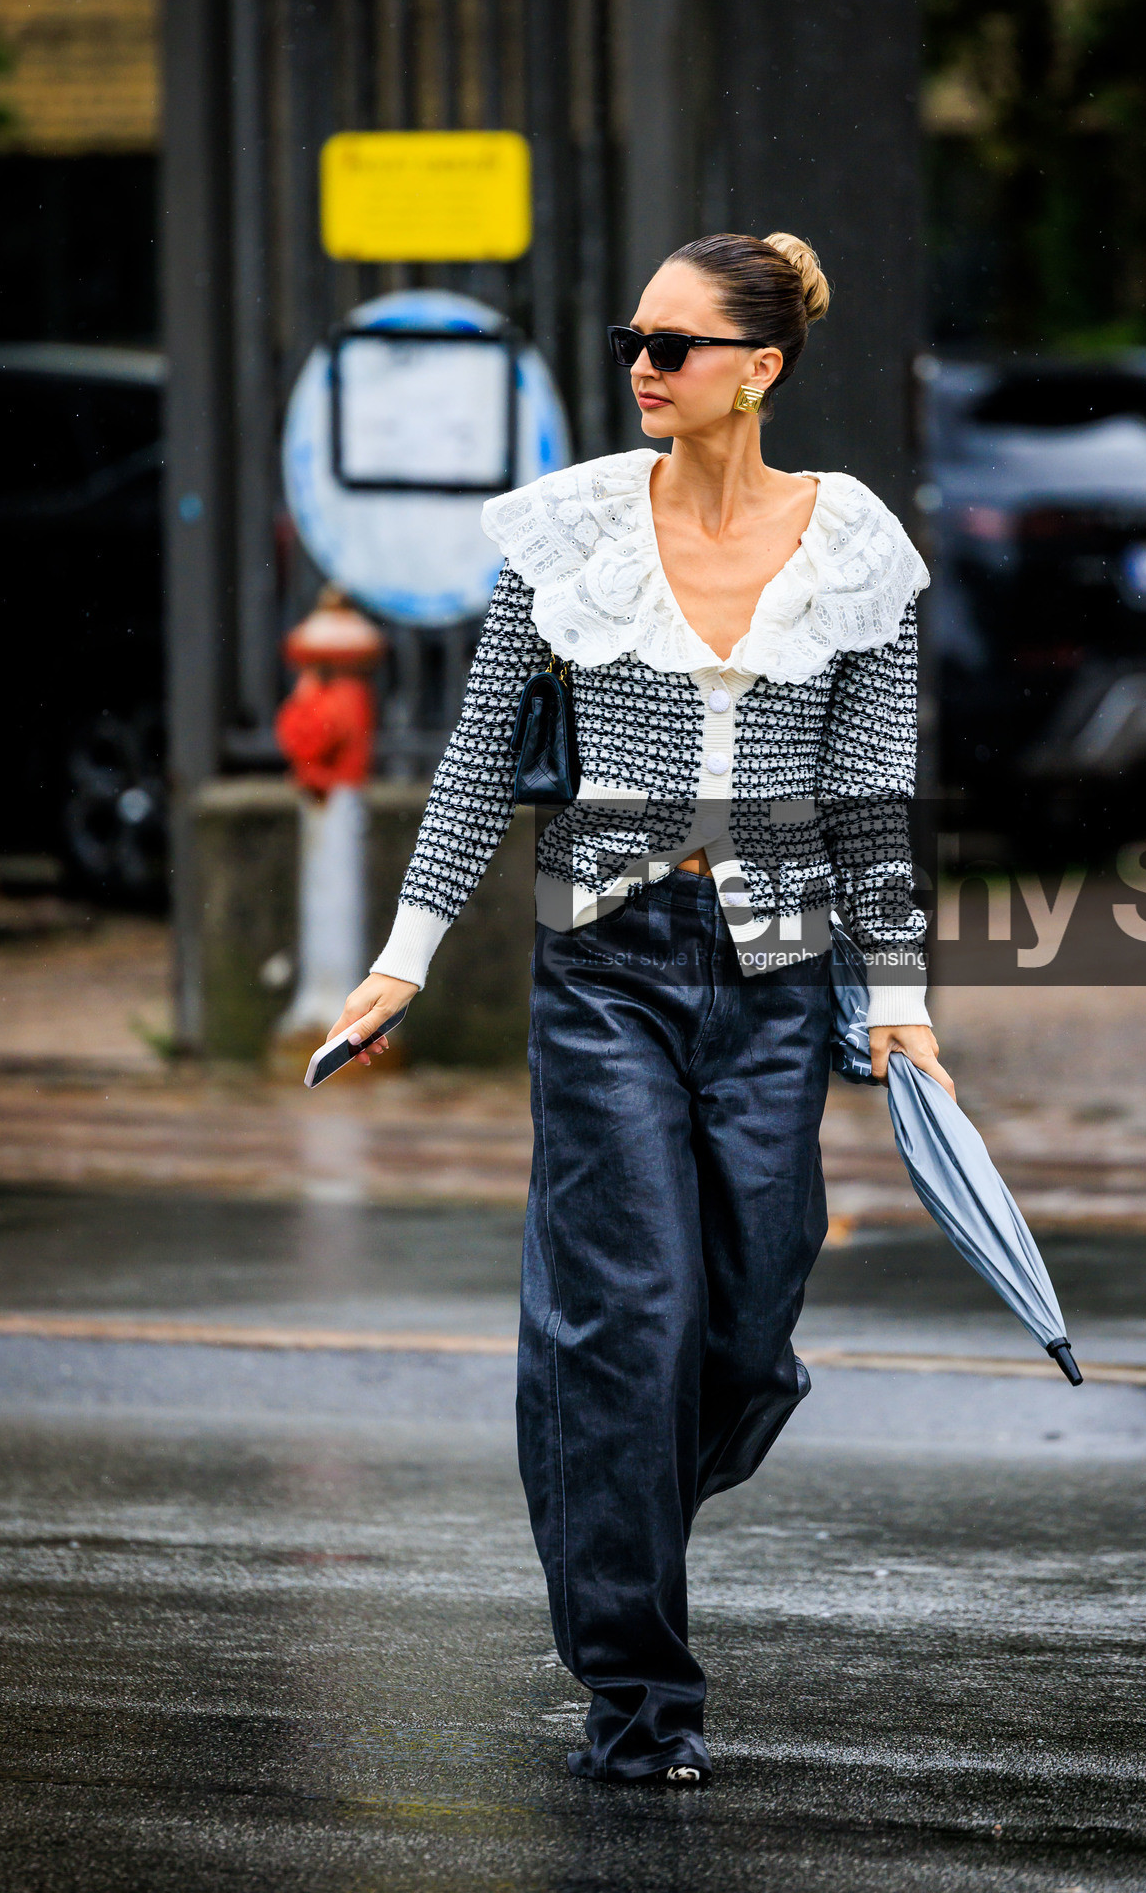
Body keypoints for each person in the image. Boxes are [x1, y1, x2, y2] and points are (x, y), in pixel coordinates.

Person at [327, 231, 955, 1786]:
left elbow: (872, 801)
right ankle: (638, 1692)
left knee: (741, 1335)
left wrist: (900, 1000)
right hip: (606, 954)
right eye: (634, 340)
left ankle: (602, 1488)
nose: (644, 367)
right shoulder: (573, 530)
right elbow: (479, 761)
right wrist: (403, 955)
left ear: (763, 368)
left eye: (675, 344)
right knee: (633, 1323)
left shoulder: (857, 545)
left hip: (783, 952)